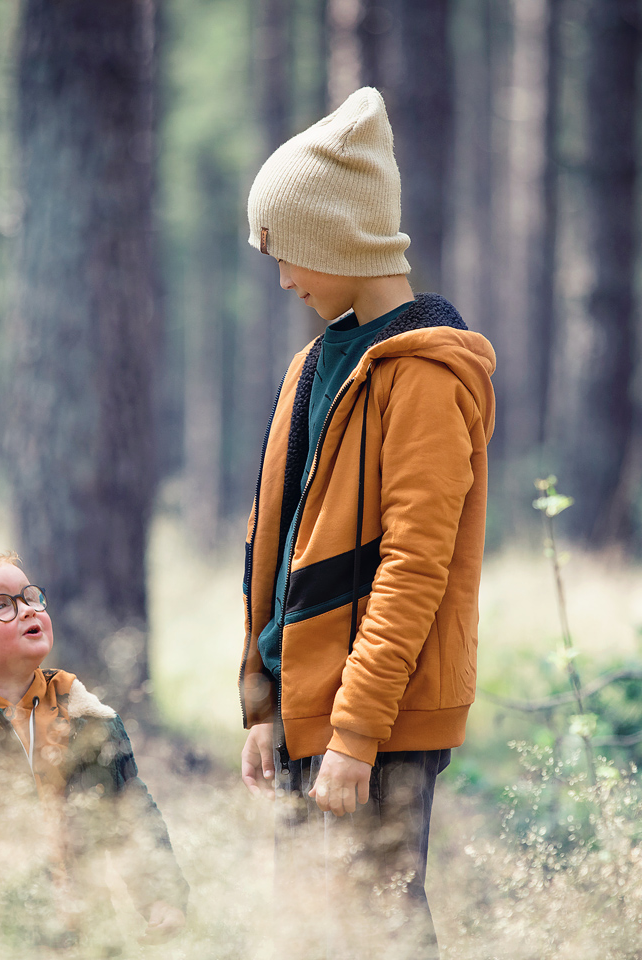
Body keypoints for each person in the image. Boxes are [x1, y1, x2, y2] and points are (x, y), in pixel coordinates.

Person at [237, 87, 496, 959]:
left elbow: (415, 566)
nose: (284, 277)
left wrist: (355, 734)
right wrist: (264, 705)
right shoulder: (315, 362)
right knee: (309, 933)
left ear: (334, 238)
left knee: (378, 930)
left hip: (374, 720)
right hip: (304, 707)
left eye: (286, 252)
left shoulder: (424, 376)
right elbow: (274, 549)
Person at [0, 551, 188, 949]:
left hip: (88, 929)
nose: (27, 610)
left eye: (30, 596)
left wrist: (161, 895)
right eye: (1, 605)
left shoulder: (88, 717)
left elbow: (132, 815)